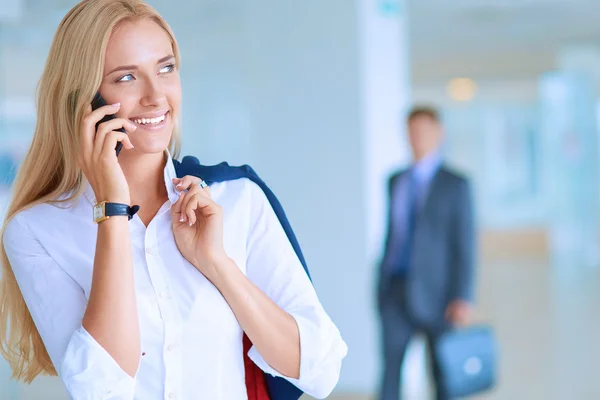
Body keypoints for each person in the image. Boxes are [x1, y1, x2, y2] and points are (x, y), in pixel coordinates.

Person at [0, 1, 347, 399]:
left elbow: (321, 372)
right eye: (126, 77)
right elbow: (100, 389)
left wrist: (217, 264)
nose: (155, 96)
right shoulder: (36, 231)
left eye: (166, 69)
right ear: (85, 101)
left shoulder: (237, 199)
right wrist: (112, 211)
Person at [377, 106, 475, 400]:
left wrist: (463, 296)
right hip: (395, 288)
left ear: (439, 134)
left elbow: (465, 243)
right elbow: (392, 235)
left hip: (439, 294)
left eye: (424, 130)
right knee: (389, 375)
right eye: (412, 130)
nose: (417, 136)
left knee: (443, 375)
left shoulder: (456, 184)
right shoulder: (395, 180)